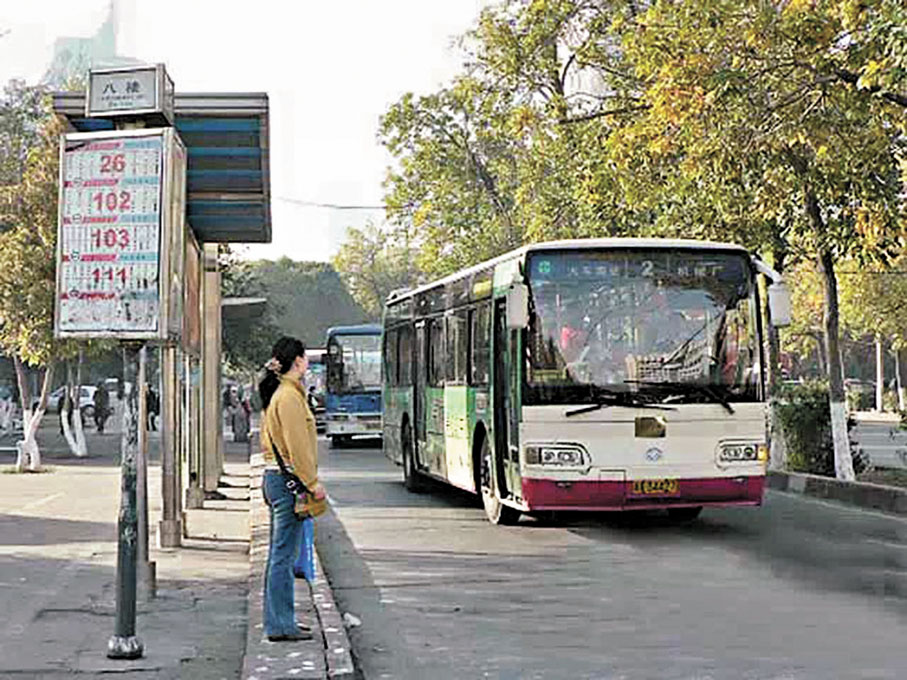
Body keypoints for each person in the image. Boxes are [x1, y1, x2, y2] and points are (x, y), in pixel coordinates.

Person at [258, 337, 327, 642]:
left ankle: (281, 620)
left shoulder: (282, 394)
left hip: (277, 479)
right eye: (304, 358)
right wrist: (312, 483)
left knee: (280, 555)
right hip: (289, 483)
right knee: (283, 556)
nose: (307, 363)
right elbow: (298, 446)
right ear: (297, 361)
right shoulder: (288, 397)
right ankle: (280, 624)